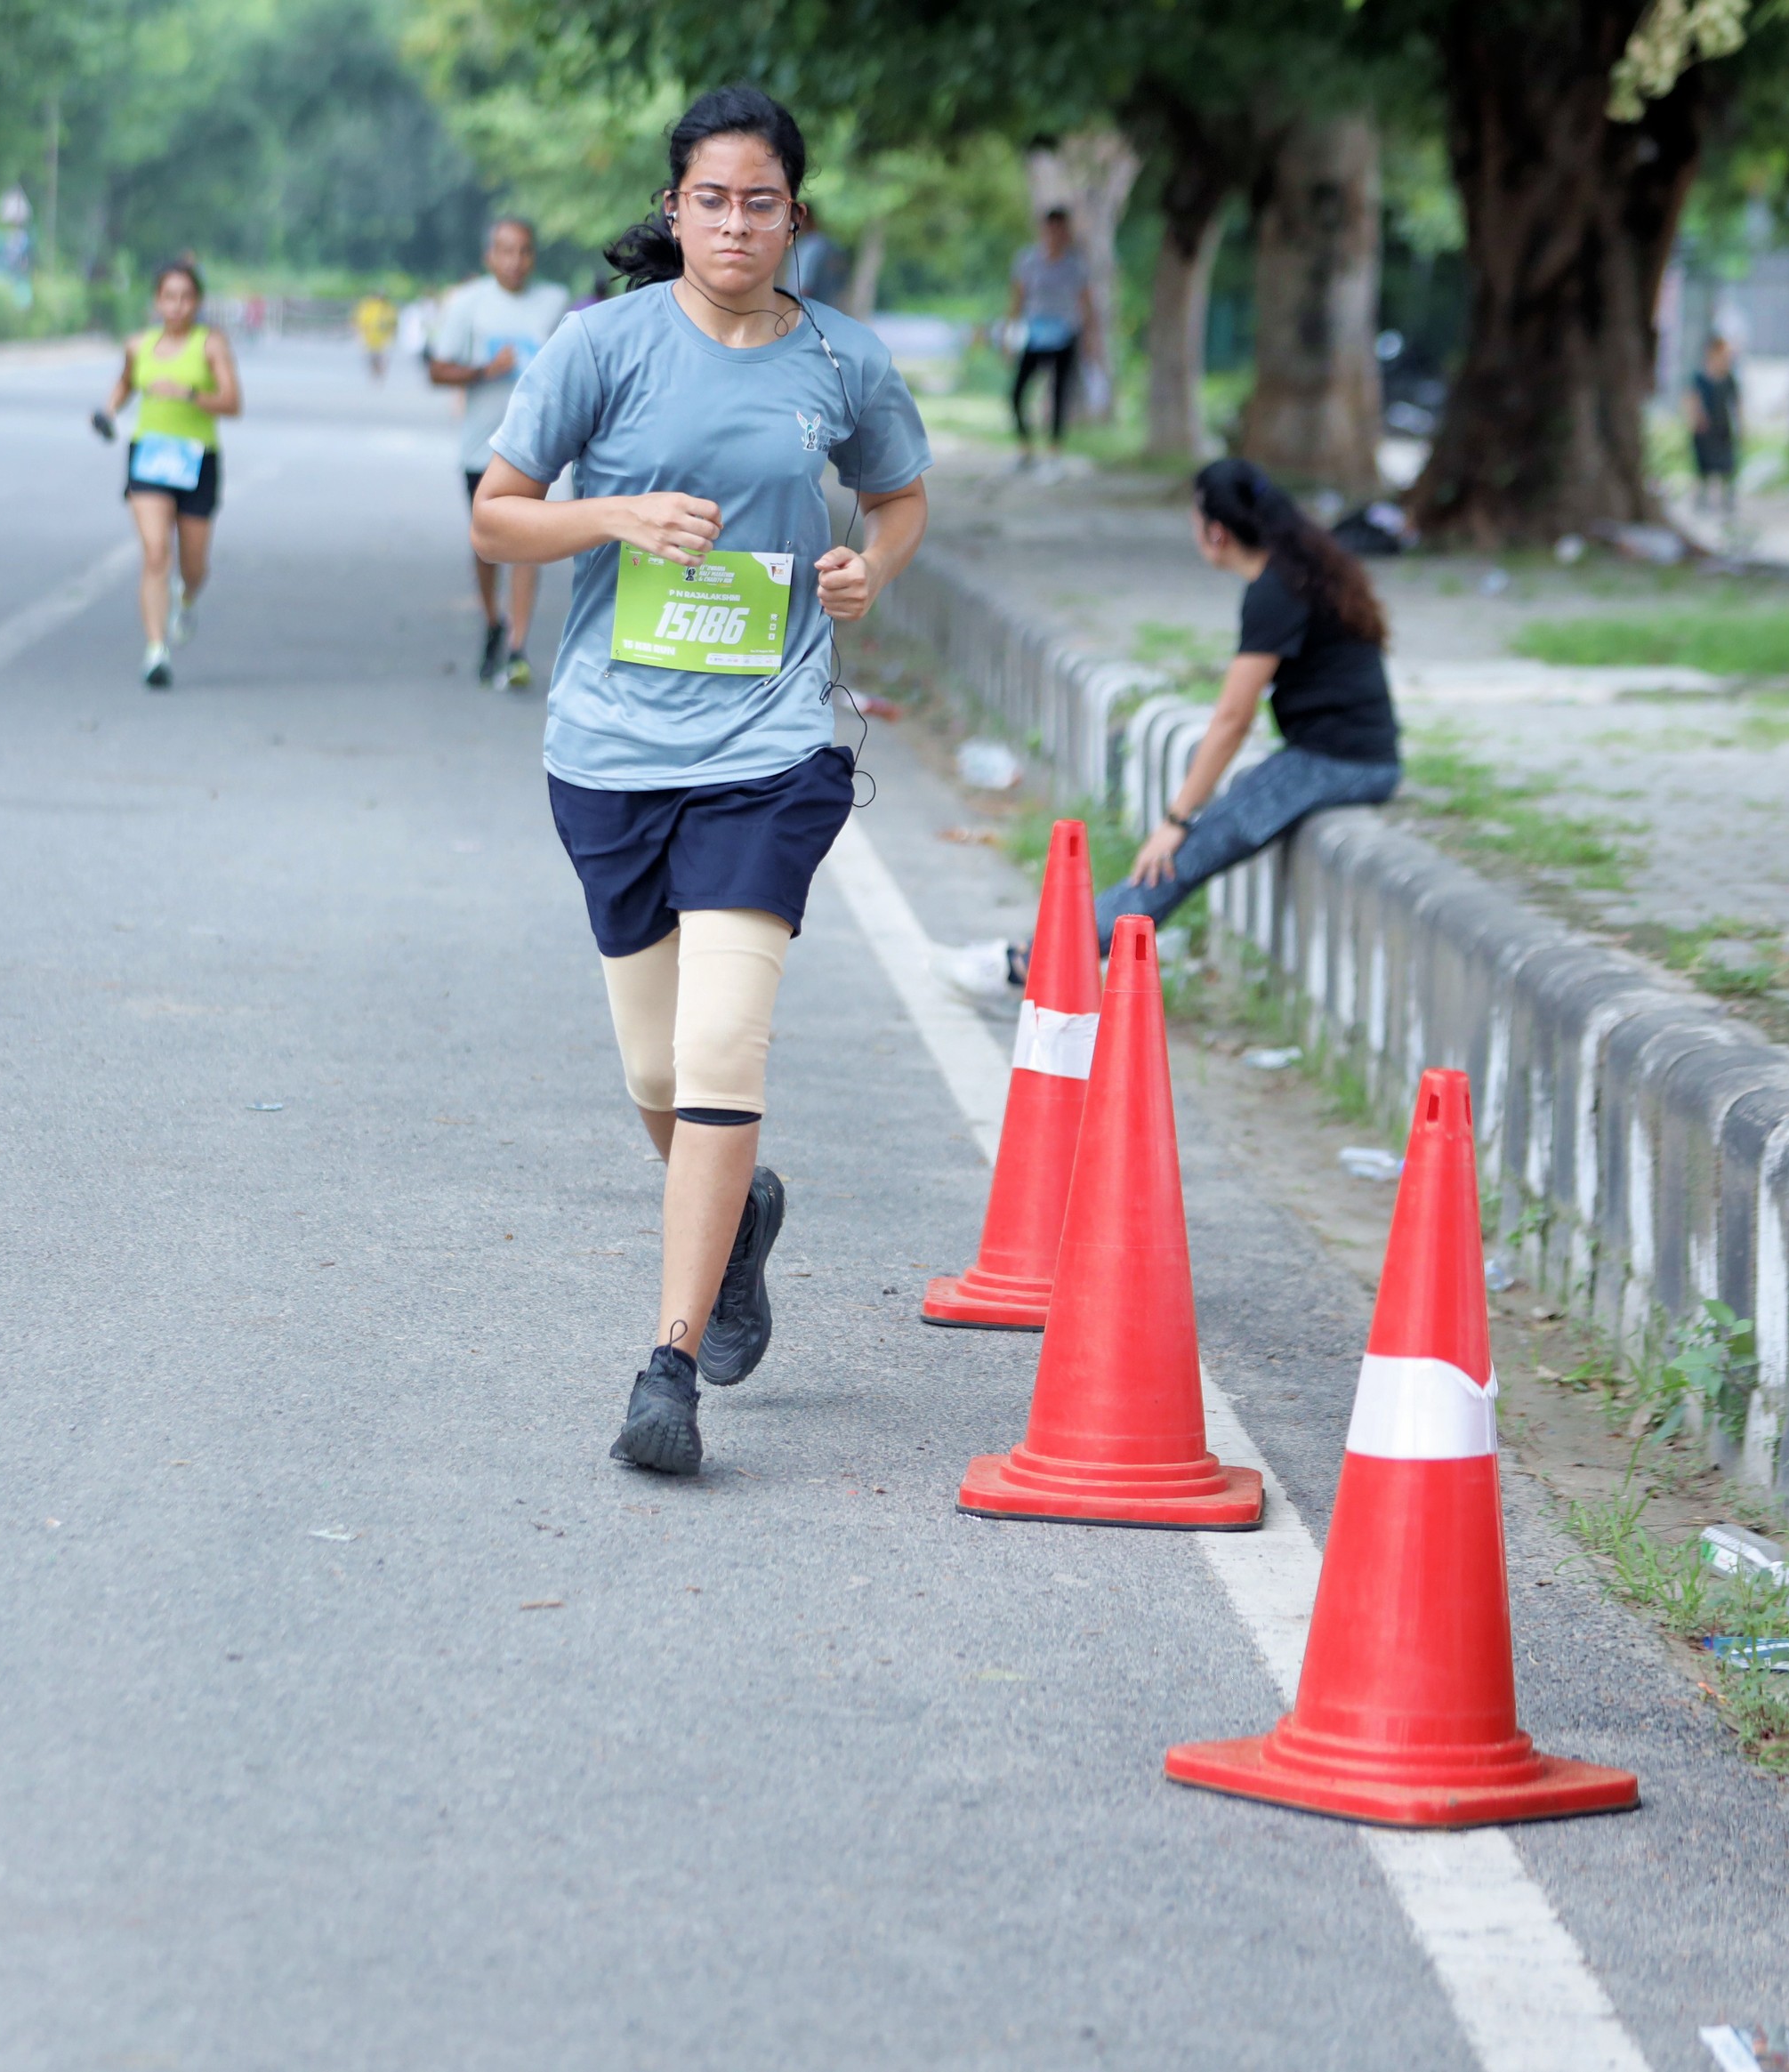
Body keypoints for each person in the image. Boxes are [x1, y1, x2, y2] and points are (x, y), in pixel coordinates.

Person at [471, 85, 930, 1477]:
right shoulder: (599, 345)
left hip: (766, 751)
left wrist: (868, 569)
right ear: (674, 211)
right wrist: (615, 514)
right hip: (610, 754)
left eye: (760, 202)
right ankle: (737, 1222)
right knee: (655, 1069)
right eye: (711, 200)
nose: (735, 225)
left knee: (723, 1045)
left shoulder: (840, 361)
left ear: (796, 217)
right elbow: (495, 516)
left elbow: (899, 497)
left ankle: (665, 1367)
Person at [941, 459, 1396, 994]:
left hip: (1339, 763)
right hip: (1346, 756)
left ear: (1216, 532)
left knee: (1176, 858)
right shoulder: (1303, 568)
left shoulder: (1276, 590)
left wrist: (1176, 819)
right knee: (1194, 844)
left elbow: (1232, 719)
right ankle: (1043, 955)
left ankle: (1028, 963)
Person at [428, 219, 570, 689]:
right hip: (481, 447)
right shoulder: (468, 303)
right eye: (506, 251)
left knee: (526, 544)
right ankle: (492, 619)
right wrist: (486, 370)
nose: (515, 261)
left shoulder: (554, 301)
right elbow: (438, 370)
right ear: (489, 256)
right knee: (487, 546)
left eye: (524, 251)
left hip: (535, 446)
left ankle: (516, 644)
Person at [101, 261, 239, 689]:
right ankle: (156, 650)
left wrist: (191, 394)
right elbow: (125, 384)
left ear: (197, 303)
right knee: (156, 552)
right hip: (150, 458)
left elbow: (232, 402)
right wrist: (108, 412)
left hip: (197, 459)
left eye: (186, 298)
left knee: (193, 566)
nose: (177, 306)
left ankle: (187, 596)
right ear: (157, 301)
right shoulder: (138, 345)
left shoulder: (210, 345)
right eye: (169, 297)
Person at [1005, 207, 1093, 466]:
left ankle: (1055, 451)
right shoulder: (1028, 260)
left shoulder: (1075, 265)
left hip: (1065, 335)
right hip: (1035, 334)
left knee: (1059, 394)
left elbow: (1086, 303)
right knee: (1016, 392)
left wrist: (1090, 339)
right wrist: (1009, 335)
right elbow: (1017, 299)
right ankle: (1026, 448)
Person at [1686, 335, 1741, 522]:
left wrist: (1741, 425)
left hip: (1722, 426)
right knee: (1703, 465)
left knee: (1727, 464)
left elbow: (1736, 403)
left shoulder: (1729, 378)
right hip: (1704, 428)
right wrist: (1696, 417)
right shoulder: (1700, 377)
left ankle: (1727, 499)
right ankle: (1701, 499)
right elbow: (1692, 398)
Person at [354, 291, 395, 383]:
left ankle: (379, 373)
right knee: (371, 358)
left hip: (382, 339)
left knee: (381, 358)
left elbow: (392, 323)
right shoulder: (368, 307)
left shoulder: (388, 308)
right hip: (370, 338)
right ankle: (374, 373)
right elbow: (360, 322)